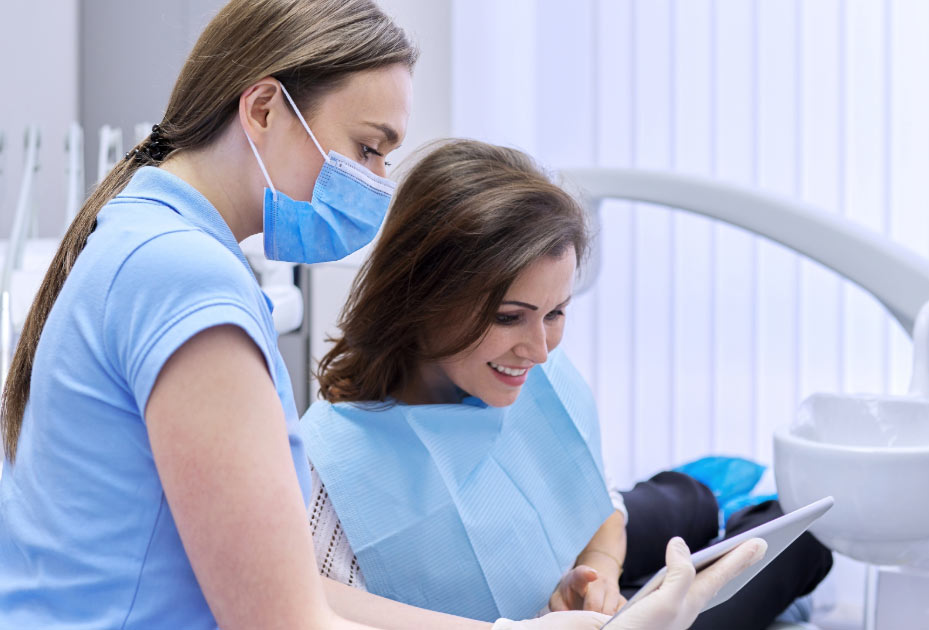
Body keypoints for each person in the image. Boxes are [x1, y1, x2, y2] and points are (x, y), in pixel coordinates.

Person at [0, 2, 764, 629]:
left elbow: (295, 589)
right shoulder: (185, 283)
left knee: (708, 511)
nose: (375, 179)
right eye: (368, 147)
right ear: (262, 109)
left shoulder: (153, 238)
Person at [303, 139, 825, 629]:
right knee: (802, 546)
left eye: (555, 313)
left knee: (695, 504)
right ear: (424, 297)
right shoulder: (328, 475)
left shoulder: (531, 376)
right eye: (510, 317)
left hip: (570, 557)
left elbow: (600, 508)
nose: (540, 350)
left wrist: (599, 573)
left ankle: (703, 500)